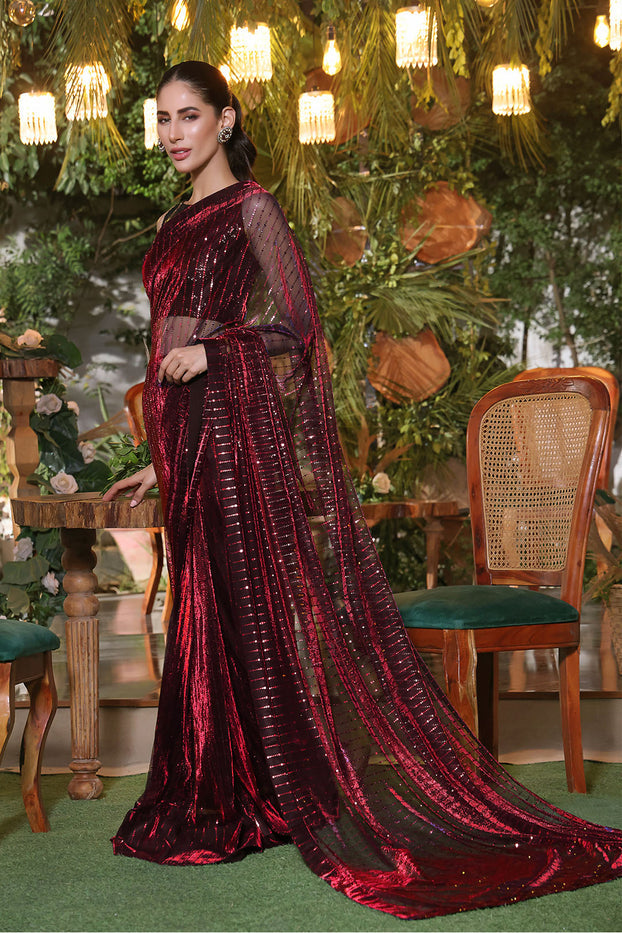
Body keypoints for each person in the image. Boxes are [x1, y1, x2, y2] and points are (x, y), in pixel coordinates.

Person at [104, 61, 622, 920]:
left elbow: (298, 327)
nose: (171, 133)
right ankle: (221, 792)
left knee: (245, 607)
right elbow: (167, 335)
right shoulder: (173, 219)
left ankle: (270, 791)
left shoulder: (252, 209)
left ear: (226, 120)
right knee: (203, 608)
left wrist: (213, 351)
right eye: (162, 118)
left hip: (231, 435)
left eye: (187, 116)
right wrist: (158, 455)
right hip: (185, 437)